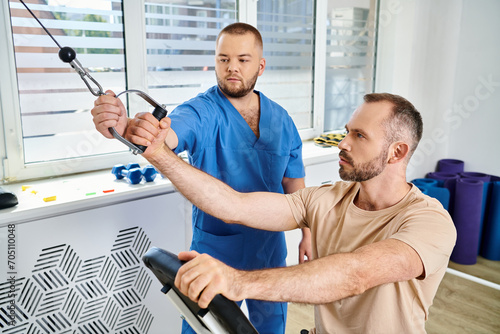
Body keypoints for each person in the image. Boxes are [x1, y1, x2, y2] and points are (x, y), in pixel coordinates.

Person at [125, 92, 457, 334]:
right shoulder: (327, 199)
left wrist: (238, 282)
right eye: (347, 131)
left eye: (359, 135)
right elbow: (233, 207)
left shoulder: (429, 222)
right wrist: (157, 153)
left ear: (396, 152)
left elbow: (357, 274)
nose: (343, 143)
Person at [91, 23, 307, 334]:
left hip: (268, 247)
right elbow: (169, 135)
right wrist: (131, 130)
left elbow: (294, 186)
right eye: (223, 59)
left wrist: (308, 233)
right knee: (203, 325)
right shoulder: (202, 111)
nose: (232, 67)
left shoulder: (281, 119)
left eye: (243, 59)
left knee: (271, 326)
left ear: (260, 65)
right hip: (215, 249)